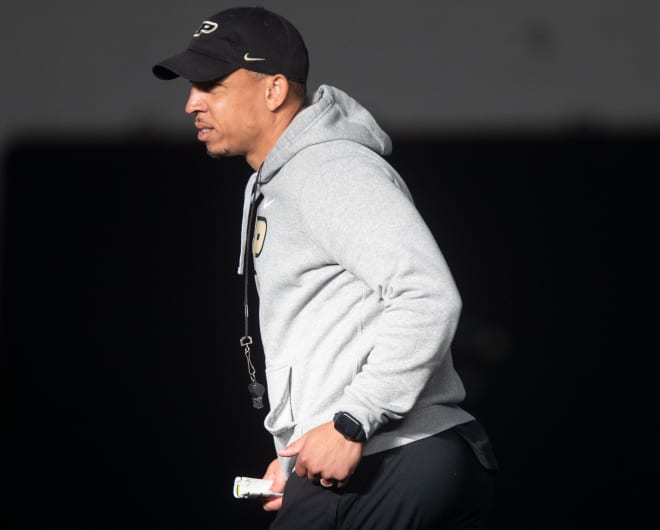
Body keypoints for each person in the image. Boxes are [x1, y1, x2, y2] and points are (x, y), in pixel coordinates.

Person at [152, 6, 498, 529]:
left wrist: (350, 424)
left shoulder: (330, 168)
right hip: (373, 460)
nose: (190, 103)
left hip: (391, 456)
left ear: (273, 91)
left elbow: (428, 295)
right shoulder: (281, 180)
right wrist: (299, 451)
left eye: (211, 84)